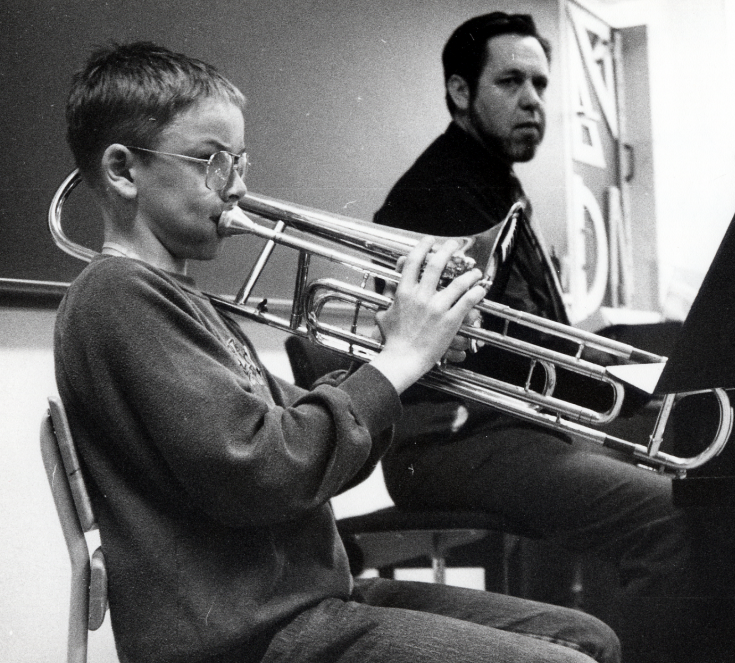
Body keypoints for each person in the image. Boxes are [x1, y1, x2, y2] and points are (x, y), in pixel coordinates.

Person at [53, 41, 623, 663]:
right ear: (122, 170)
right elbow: (265, 472)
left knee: (587, 638)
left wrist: (406, 361)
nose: (238, 187)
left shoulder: (184, 299)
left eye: (240, 161)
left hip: (302, 601)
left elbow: (311, 451)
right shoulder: (117, 295)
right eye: (212, 162)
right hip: (249, 636)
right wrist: (396, 361)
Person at [374, 12, 735, 663]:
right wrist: (632, 388)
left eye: (541, 85)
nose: (532, 101)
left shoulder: (491, 183)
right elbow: (507, 352)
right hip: (450, 441)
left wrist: (628, 375)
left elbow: (537, 334)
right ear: (461, 93)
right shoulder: (441, 193)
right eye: (511, 82)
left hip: (501, 431)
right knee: (675, 515)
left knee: (699, 500)